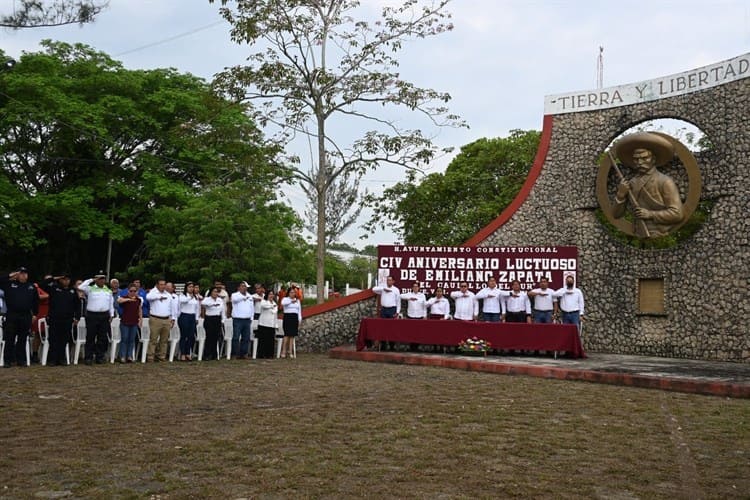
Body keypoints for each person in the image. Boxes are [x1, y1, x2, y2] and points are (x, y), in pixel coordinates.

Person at [611, 132, 684, 238]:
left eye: (645, 158)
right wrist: (620, 195)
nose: (640, 162)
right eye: (636, 159)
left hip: (658, 232)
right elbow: (616, 215)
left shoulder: (664, 181)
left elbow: (677, 214)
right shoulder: (631, 183)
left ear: (653, 159)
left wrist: (650, 214)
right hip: (638, 231)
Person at [0, 267, 40, 367]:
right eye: (21, 273)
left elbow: (36, 301)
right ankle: (8, 360)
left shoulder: (31, 286)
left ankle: (21, 360)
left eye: (25, 273)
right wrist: (11, 275)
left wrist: (35, 314)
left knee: (23, 339)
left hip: (26, 315)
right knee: (10, 338)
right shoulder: (9, 284)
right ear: (17, 274)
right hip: (12, 315)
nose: (23, 275)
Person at [39, 273, 81, 366]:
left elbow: (78, 305)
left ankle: (61, 358)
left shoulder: (73, 291)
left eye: (68, 279)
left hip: (67, 319)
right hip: (54, 318)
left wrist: (77, 317)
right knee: (53, 339)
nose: (66, 281)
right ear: (60, 280)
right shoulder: (54, 288)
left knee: (64, 339)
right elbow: (42, 284)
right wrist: (55, 278)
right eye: (64, 279)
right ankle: (52, 359)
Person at [77, 271, 114, 365]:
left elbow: (111, 304)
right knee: (90, 337)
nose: (102, 280)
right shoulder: (90, 289)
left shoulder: (108, 290)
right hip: (92, 315)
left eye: (103, 279)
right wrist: (91, 280)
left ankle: (99, 357)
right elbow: (80, 287)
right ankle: (88, 357)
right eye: (100, 279)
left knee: (102, 338)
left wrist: (111, 315)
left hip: (104, 315)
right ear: (96, 279)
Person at [145, 278, 175, 362]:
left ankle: (161, 355)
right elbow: (148, 297)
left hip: (166, 319)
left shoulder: (168, 295)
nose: (163, 286)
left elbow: (171, 307)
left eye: (164, 284)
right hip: (155, 318)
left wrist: (172, 318)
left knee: (164, 340)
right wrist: (159, 297)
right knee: (153, 339)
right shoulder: (153, 292)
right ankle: (150, 356)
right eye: (161, 284)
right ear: (157, 285)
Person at [116, 284, 142, 363]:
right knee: (125, 339)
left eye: (135, 291)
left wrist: (140, 319)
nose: (133, 292)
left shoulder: (138, 300)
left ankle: (129, 356)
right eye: (131, 291)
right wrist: (128, 299)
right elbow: (118, 300)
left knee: (131, 340)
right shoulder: (124, 298)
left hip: (134, 322)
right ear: (128, 291)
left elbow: (139, 310)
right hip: (125, 322)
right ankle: (122, 356)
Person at [177, 281, 201, 361]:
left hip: (192, 316)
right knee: (184, 336)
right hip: (184, 316)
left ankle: (188, 353)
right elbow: (183, 301)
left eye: (192, 287)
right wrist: (190, 297)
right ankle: (183, 354)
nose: (191, 288)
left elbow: (197, 308)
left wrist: (197, 318)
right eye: (189, 287)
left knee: (191, 336)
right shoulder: (182, 295)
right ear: (186, 288)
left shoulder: (195, 297)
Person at [231, 281, 254, 359]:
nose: (244, 288)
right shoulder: (234, 295)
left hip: (247, 320)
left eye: (245, 287)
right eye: (243, 286)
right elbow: (235, 300)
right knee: (236, 337)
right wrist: (244, 297)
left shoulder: (250, 296)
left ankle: (244, 353)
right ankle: (235, 353)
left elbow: (252, 308)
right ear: (239, 287)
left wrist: (251, 318)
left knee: (246, 338)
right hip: (238, 319)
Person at [201, 287, 226, 360]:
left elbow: (223, 310)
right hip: (209, 319)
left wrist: (223, 320)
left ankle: (214, 354)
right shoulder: (207, 299)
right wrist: (213, 304)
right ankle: (207, 354)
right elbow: (203, 304)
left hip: (217, 319)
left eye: (217, 292)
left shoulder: (220, 300)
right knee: (209, 337)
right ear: (211, 292)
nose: (215, 293)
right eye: (214, 291)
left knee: (216, 337)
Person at [29, 282, 49, 363]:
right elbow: (44, 296)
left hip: (48, 312)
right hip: (39, 313)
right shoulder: (37, 289)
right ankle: (34, 354)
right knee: (38, 335)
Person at [280, 287, 302, 358]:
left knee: (292, 335)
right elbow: (283, 304)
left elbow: (299, 311)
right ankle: (283, 351)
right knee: (286, 334)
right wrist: (291, 301)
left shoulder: (297, 301)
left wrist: (299, 319)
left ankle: (290, 351)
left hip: (294, 318)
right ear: (288, 293)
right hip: (287, 317)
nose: (293, 294)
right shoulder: (285, 299)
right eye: (291, 292)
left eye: (294, 292)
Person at [256, 290, 278, 359]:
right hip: (263, 324)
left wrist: (276, 324)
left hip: (271, 324)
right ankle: (261, 354)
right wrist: (272, 306)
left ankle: (269, 354)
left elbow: (275, 315)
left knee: (270, 340)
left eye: (272, 294)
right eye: (270, 294)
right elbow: (264, 306)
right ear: (267, 295)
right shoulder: (264, 301)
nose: (271, 296)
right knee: (263, 340)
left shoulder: (275, 303)